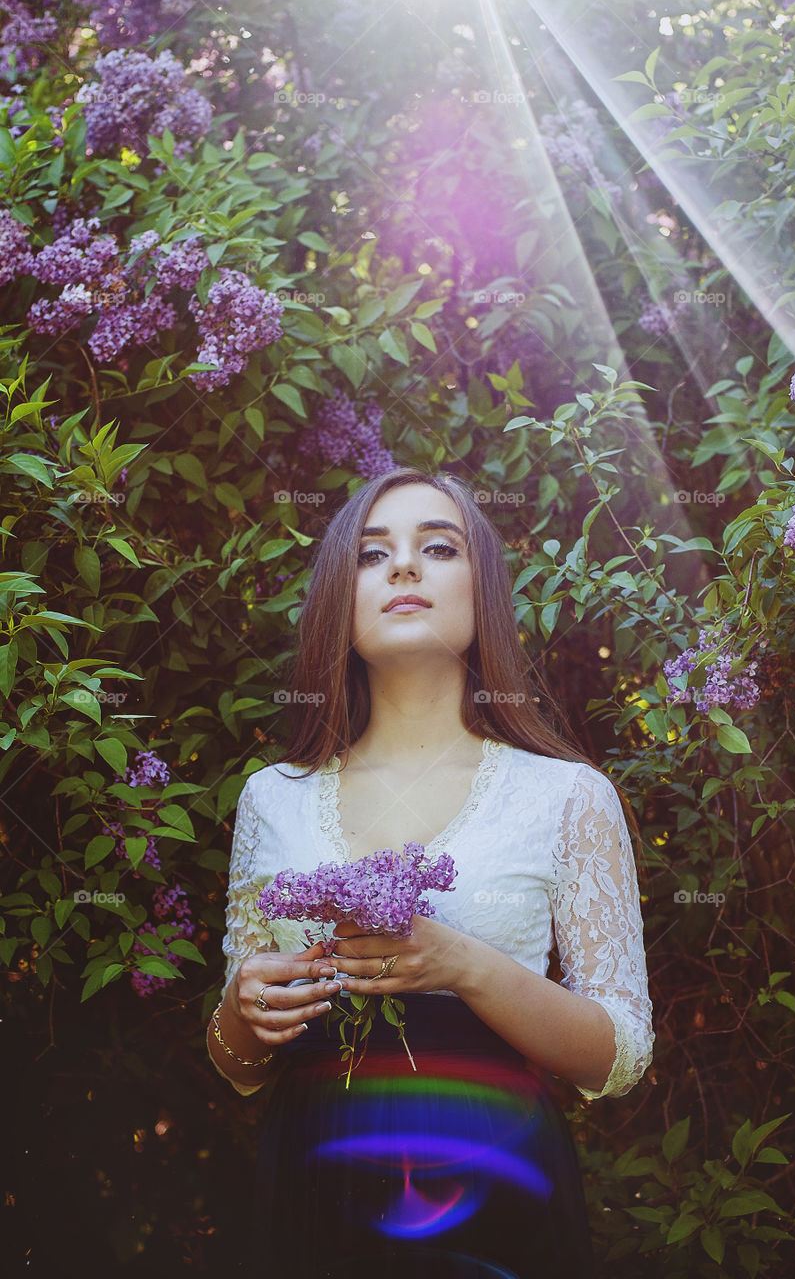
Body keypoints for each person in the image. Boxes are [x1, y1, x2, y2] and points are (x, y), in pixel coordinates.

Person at [206, 467, 654, 1278]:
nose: (404, 568)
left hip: (500, 1183)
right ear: (338, 603)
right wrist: (242, 1011)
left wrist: (462, 965)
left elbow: (617, 1059)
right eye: (372, 555)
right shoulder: (272, 798)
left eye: (436, 548)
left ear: (480, 593)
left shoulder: (567, 796)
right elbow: (238, 1067)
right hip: (311, 1191)